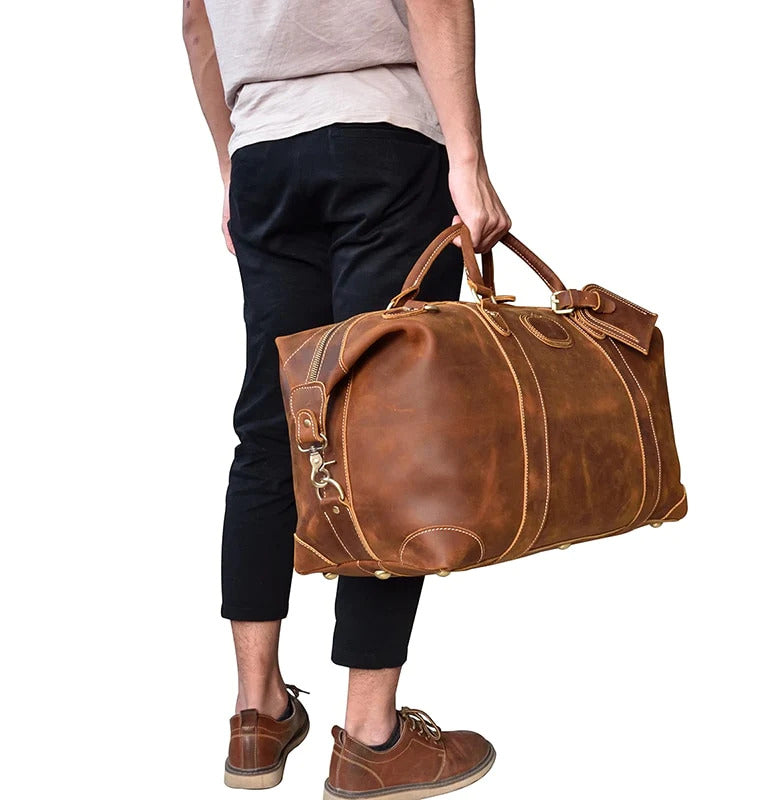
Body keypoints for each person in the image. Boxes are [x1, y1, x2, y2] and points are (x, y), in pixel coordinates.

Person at [182, 1, 511, 796]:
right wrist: (465, 163)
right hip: (383, 142)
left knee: (271, 424)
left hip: (265, 152)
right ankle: (370, 735)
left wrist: (234, 161)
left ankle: (256, 715)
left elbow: (197, 24)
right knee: (381, 433)